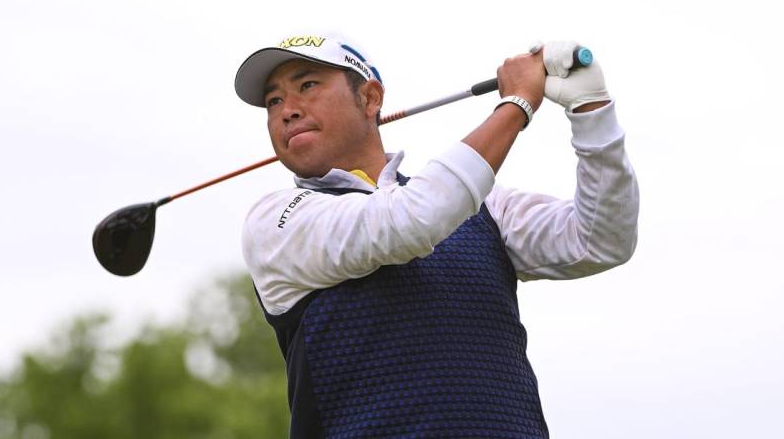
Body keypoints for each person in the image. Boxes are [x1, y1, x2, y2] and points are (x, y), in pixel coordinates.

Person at [236, 34, 638, 439]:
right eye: (274, 102)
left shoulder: (482, 207)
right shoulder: (276, 222)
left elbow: (600, 240)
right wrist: (516, 105)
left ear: (370, 99)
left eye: (307, 86)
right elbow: (411, 221)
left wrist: (592, 109)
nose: (287, 110)